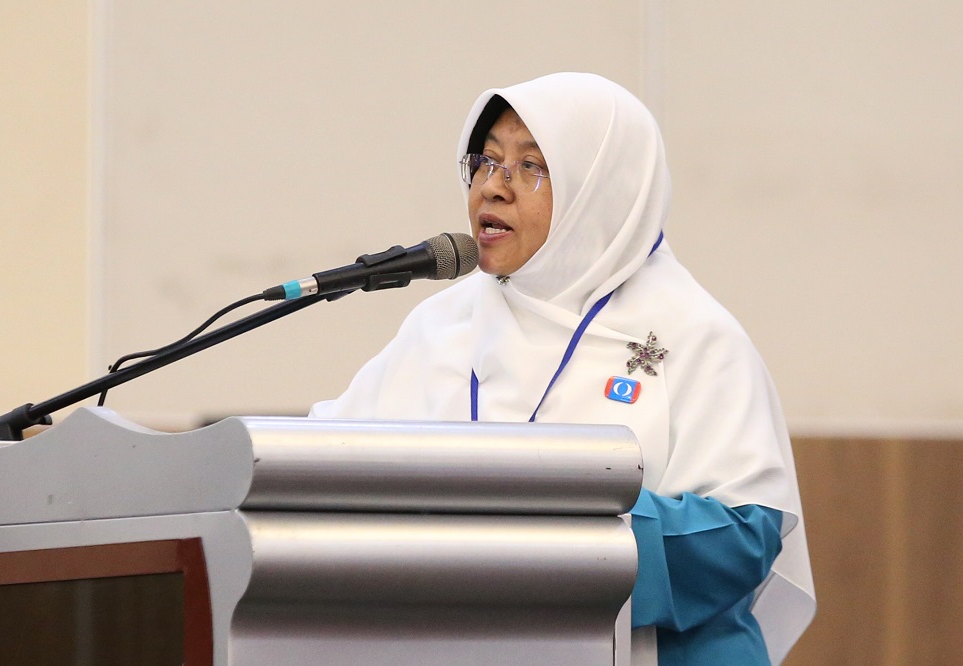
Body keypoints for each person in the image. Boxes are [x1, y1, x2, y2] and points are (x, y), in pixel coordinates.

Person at [309, 72, 815, 665]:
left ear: (603, 188)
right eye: (487, 161)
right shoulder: (438, 325)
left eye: (531, 167)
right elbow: (323, 476)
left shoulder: (691, 333)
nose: (493, 189)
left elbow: (744, 536)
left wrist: (546, 528)